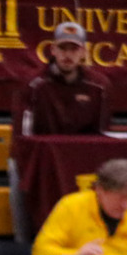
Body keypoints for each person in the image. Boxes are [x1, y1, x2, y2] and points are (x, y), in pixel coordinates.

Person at [12, 22, 112, 239]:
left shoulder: (99, 86)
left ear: (83, 52)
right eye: (63, 48)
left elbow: (103, 135)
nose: (68, 55)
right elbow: (22, 138)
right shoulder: (33, 84)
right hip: (37, 161)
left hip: (80, 161)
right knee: (15, 169)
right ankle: (25, 242)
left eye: (74, 49)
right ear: (53, 50)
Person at [32, 159, 127, 255]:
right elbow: (40, 252)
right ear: (100, 190)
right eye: (121, 197)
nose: (126, 205)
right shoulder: (71, 206)